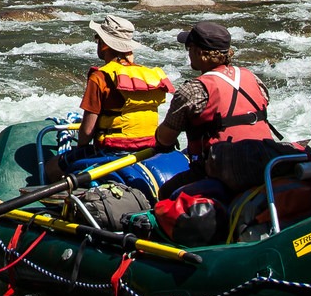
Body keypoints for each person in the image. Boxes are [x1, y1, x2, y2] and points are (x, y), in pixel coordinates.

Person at [153, 21, 279, 197]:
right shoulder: (253, 78)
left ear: (200, 53)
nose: (188, 53)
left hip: (221, 170)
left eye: (188, 48)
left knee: (166, 193)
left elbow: (166, 139)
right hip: (266, 161)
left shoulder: (192, 90)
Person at [76, 16, 172, 153]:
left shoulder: (99, 77)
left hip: (112, 150)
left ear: (104, 44)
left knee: (52, 167)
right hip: (149, 148)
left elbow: (87, 131)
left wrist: (80, 149)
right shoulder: (148, 75)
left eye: (97, 38)